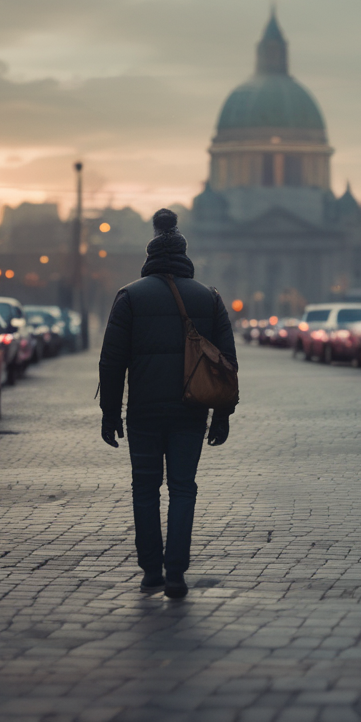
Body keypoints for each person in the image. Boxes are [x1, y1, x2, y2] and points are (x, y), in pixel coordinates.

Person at [98, 208, 237, 599]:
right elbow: (227, 364)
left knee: (144, 488)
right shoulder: (208, 298)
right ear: (185, 255)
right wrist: (221, 416)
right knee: (182, 488)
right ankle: (176, 572)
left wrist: (111, 412)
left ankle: (150, 572)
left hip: (143, 411)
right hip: (191, 411)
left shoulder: (129, 297)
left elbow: (111, 361)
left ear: (150, 255)